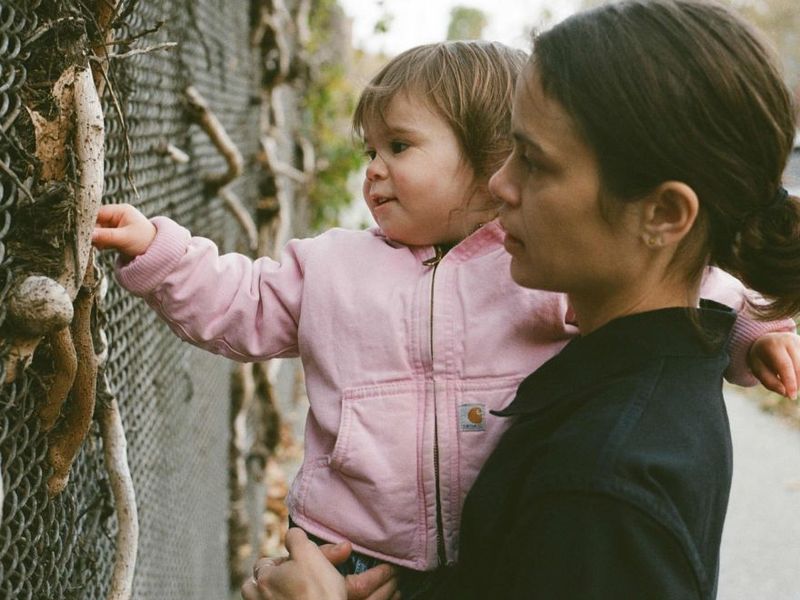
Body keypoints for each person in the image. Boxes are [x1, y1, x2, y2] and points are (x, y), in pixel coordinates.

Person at [91, 37, 798, 598]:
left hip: (475, 556)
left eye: (399, 146)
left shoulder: (535, 272)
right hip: (348, 549)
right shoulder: (332, 267)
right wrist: (161, 253)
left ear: (489, 158)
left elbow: (685, 276)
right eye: (370, 149)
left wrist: (749, 334)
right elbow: (242, 300)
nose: (373, 169)